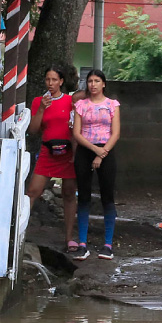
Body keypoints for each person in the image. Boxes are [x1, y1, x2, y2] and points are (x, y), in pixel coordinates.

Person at [27, 67, 78, 252]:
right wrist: (41, 108)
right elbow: (33, 130)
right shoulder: (38, 101)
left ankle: (69, 238)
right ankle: (19, 234)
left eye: (54, 80)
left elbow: (77, 124)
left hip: (68, 152)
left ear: (61, 82)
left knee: (69, 193)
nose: (50, 83)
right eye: (48, 79)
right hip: (47, 152)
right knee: (32, 191)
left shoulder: (70, 101)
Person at [71, 70, 120, 260]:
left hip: (106, 150)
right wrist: (94, 150)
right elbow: (76, 133)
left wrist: (102, 152)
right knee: (83, 196)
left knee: (107, 196)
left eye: (97, 81)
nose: (93, 84)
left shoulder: (112, 105)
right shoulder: (81, 105)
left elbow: (115, 133)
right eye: (90, 81)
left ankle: (108, 245)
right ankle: (82, 244)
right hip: (85, 150)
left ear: (103, 84)